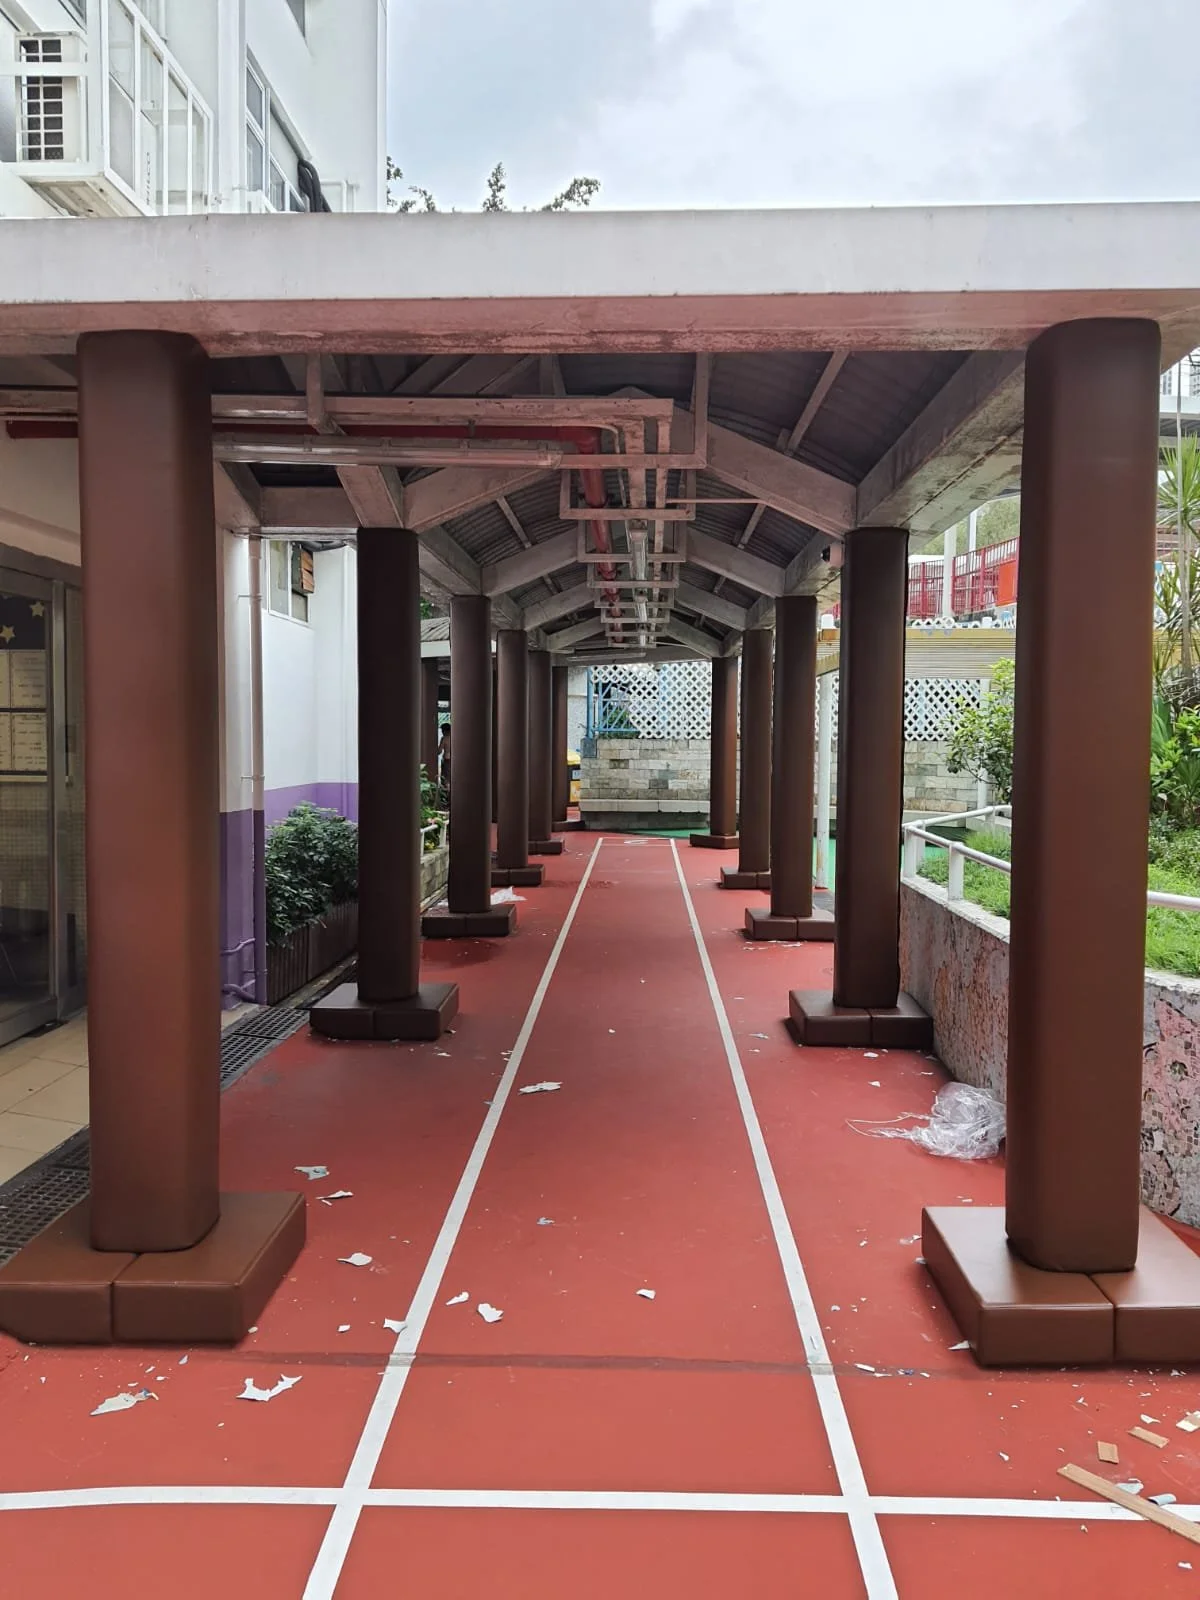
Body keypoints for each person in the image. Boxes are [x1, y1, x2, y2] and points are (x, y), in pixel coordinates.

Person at [437, 720, 451, 795]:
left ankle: (447, 796)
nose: (442, 732)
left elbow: (439, 751)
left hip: (447, 759)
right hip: (454, 760)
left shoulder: (444, 738)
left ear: (445, 731)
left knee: (446, 778)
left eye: (442, 730)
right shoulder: (455, 737)